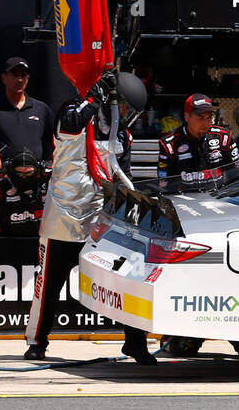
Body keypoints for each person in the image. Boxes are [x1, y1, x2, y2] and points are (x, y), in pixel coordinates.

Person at [25, 70, 154, 363]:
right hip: (63, 216)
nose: (126, 115)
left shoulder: (122, 135)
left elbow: (125, 175)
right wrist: (95, 96)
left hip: (100, 218)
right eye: (124, 107)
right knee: (48, 284)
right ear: (111, 100)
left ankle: (135, 342)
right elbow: (70, 126)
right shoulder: (72, 112)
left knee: (126, 278)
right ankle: (36, 342)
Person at [0, 57, 56, 163]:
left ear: (28, 78)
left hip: (36, 175)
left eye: (23, 75)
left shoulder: (41, 109)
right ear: (4, 78)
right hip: (3, 176)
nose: (19, 80)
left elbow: (52, 143)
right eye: (14, 74)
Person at [158, 93, 239, 185]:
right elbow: (164, 183)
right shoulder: (170, 144)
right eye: (200, 118)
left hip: (218, 196)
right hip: (185, 196)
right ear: (187, 117)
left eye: (209, 117)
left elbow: (238, 172)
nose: (205, 124)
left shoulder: (223, 137)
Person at [0, 147, 48, 238]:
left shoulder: (50, 178)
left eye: (29, 173)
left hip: (43, 235)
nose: (24, 177)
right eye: (19, 174)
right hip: (8, 237)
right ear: (10, 170)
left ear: (38, 170)